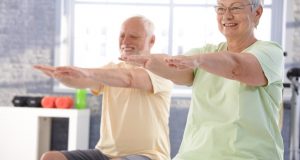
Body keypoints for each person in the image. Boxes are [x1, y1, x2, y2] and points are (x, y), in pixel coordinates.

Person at [121, 0, 284, 159]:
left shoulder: (269, 52)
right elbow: (177, 69)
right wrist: (150, 62)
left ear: (257, 12)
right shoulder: (206, 52)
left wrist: (198, 60)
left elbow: (237, 67)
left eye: (235, 8)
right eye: (220, 9)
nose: (226, 16)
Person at [34, 15, 173, 160]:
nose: (125, 41)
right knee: (50, 157)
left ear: (151, 40)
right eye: (122, 36)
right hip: (105, 153)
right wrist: (62, 76)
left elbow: (129, 78)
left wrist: (87, 71)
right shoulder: (110, 70)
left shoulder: (161, 70)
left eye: (133, 36)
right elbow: (83, 80)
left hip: (149, 155)